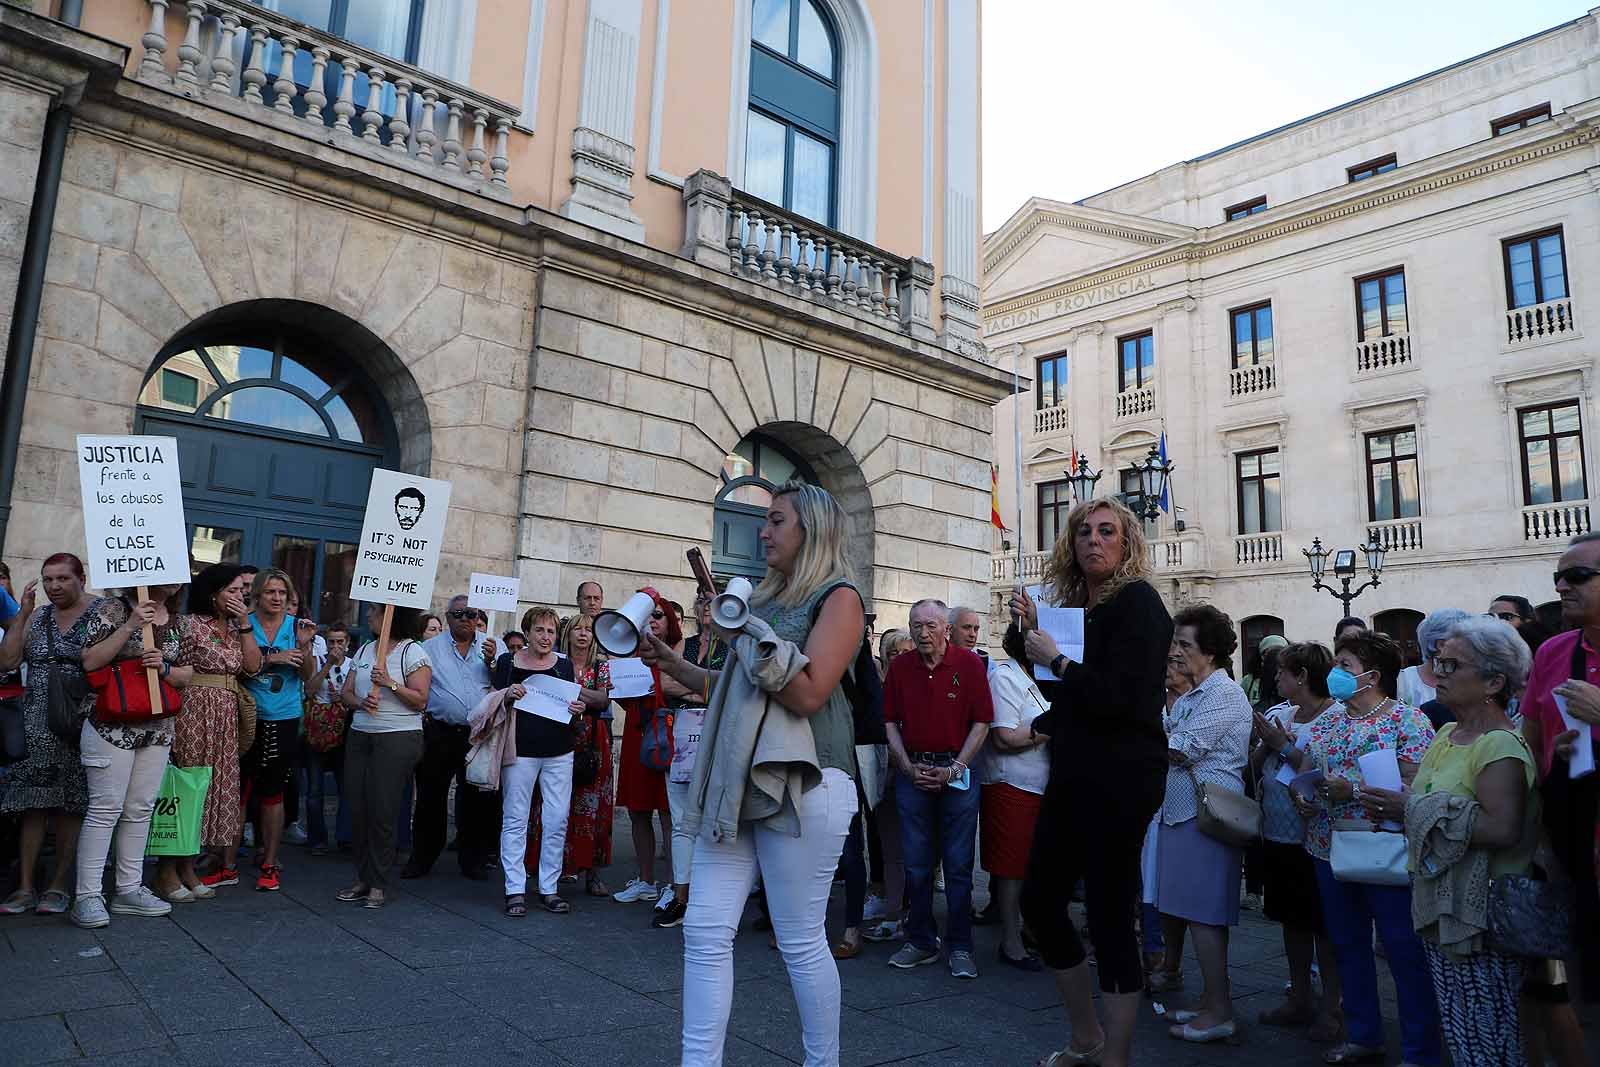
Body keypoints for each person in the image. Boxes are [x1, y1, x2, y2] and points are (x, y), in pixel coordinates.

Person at [645, 480, 864, 1065]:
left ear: (809, 531)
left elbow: (810, 693)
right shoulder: (761, 604)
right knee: (704, 930)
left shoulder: (839, 598)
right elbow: (737, 692)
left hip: (810, 777)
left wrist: (744, 636)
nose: (763, 532)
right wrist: (676, 665)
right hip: (741, 778)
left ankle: (823, 1062)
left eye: (776, 521)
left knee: (798, 940)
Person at [1006, 497, 1173, 1067]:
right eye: (1083, 532)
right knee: (1040, 901)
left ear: (1127, 543)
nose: (1093, 541)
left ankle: (1114, 1057)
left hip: (1122, 776)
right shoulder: (1080, 605)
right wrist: (1027, 629)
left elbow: (1122, 697)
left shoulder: (1139, 603)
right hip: (1075, 769)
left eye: (1107, 531)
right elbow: (1048, 674)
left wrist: (1058, 661)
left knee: (1107, 911)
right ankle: (1085, 1036)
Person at [1358, 616, 1538, 1067]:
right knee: (1462, 1032)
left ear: (1494, 681)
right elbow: (1431, 797)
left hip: (1484, 919)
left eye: (1453, 665)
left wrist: (1410, 809)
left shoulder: (1499, 745)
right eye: (1438, 661)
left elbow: (1502, 829)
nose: (1438, 672)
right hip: (1443, 908)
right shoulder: (1445, 733)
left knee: (1490, 1039)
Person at [1285, 629, 1441, 1066]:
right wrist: (1304, 794)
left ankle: (1420, 1050)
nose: (1335, 673)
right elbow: (1308, 770)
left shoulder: (1408, 721)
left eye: (1345, 665)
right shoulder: (1330, 720)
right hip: (1329, 848)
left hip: (1387, 849)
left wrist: (1348, 789)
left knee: (1403, 951)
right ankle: (1364, 1034)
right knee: (1347, 946)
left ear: (1372, 676)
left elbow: (1416, 784)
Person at [1153, 605, 1253, 1044]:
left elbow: (1183, 747)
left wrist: (1146, 730)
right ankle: (1212, 1001)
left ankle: (1220, 1011)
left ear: (1209, 652)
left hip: (1206, 817)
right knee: (1190, 913)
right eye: (1175, 642)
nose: (1175, 651)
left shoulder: (1225, 695)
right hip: (1181, 812)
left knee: (1205, 917)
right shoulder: (1195, 693)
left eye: (1184, 644)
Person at [68, 585, 193, 926]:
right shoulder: (112, 608)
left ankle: (128, 888)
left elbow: (187, 674)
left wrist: (165, 669)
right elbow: (90, 661)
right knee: (105, 808)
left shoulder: (179, 622)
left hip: (157, 726)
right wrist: (130, 626)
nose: (174, 580)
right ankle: (88, 895)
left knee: (139, 809)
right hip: (111, 724)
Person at [882, 598, 993, 979]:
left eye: (930, 625)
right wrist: (906, 766)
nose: (922, 632)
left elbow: (981, 723)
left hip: (957, 770)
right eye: (916, 625)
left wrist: (956, 767)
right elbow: (890, 722)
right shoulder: (900, 667)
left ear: (946, 629)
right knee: (916, 864)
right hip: (914, 769)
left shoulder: (969, 665)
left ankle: (960, 945)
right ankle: (921, 940)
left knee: (959, 865)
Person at [1249, 641, 1344, 1042]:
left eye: (1282, 672)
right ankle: (1299, 995)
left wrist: (1281, 745)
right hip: (1278, 834)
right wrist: (1263, 744)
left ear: (1302, 676)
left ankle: (1332, 1007)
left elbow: (1325, 773)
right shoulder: (1280, 714)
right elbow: (1255, 764)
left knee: (1324, 924)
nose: (1275, 678)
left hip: (1317, 838)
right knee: (1291, 920)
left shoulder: (1336, 718)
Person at [1521, 532, 1600, 1002]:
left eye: (1577, 576)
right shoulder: (1552, 652)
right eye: (1558, 578)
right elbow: (1531, 743)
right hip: (1572, 843)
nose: (1562, 587)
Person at [0, 554, 94, 916]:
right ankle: (25, 887)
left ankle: (58, 886)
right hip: (36, 721)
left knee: (70, 803)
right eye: (48, 579)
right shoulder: (37, 616)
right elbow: (8, 661)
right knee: (32, 803)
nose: (54, 586)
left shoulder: (100, 614)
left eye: (62, 579)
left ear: (81, 578)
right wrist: (22, 613)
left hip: (78, 721)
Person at [495, 607, 598, 916]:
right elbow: (492, 699)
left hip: (559, 752)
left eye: (551, 631)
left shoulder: (564, 665)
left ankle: (548, 888)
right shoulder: (508, 662)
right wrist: (508, 694)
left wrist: (578, 707)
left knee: (556, 819)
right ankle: (514, 889)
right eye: (539, 630)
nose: (545, 637)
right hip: (520, 750)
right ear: (527, 632)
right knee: (515, 818)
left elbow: (570, 705)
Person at [338, 603, 430, 908]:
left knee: (382, 809)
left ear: (392, 615)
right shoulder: (365, 650)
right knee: (358, 807)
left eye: (375, 611)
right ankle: (362, 877)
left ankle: (378, 882)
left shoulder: (412, 652)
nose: (368, 615)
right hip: (361, 734)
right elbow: (346, 693)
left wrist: (389, 682)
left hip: (397, 737)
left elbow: (420, 700)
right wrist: (361, 703)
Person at [176, 565, 260, 893]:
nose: (240, 596)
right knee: (190, 785)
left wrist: (244, 625)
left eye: (242, 591)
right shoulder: (190, 624)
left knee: (214, 789)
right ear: (214, 593)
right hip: (195, 711)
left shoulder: (238, 629)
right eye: (233, 590)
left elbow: (252, 667)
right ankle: (178, 866)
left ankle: (196, 862)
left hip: (225, 714)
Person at [406, 595, 498, 881]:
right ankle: (422, 857)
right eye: (459, 614)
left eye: (471, 614)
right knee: (431, 797)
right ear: (447, 617)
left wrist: (494, 662)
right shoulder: (429, 648)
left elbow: (505, 684)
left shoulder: (491, 646)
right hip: (441, 732)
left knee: (475, 800)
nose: (466, 619)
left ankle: (473, 860)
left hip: (478, 735)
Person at [239, 568, 316, 892]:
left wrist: (304, 647)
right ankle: (225, 861)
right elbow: (240, 666)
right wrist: (275, 658)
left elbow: (309, 677)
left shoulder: (295, 626)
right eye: (271, 592)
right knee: (239, 790)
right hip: (247, 714)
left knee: (273, 793)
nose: (277, 598)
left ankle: (270, 862)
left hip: (284, 716)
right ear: (258, 594)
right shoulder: (244, 623)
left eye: (282, 593)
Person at [655, 593, 727, 930]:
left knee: (713, 819)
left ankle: (711, 898)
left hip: (719, 737)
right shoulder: (686, 643)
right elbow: (667, 682)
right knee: (682, 820)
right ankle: (681, 896)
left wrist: (695, 686)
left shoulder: (735, 644)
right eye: (701, 603)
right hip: (683, 736)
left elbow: (731, 690)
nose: (706, 609)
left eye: (714, 602)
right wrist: (701, 690)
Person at [979, 641, 1050, 970]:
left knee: (1030, 865)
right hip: (1011, 784)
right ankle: (1010, 941)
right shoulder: (1006, 677)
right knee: (1011, 869)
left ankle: (1029, 931)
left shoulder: (1037, 677)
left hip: (1037, 785)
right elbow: (1004, 738)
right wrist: (1052, 728)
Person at [611, 591, 681, 905]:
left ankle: (673, 884)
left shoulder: (678, 654)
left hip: (668, 737)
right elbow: (623, 699)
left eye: (658, 616)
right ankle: (646, 879)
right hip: (638, 735)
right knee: (639, 811)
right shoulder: (629, 655)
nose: (651, 621)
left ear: (669, 622)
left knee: (668, 814)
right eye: (647, 616)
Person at [551, 612, 613, 896]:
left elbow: (602, 699)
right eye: (578, 629)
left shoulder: (600, 667)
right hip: (561, 735)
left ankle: (592, 872)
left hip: (593, 739)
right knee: (561, 802)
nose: (583, 634)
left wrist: (573, 691)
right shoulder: (557, 663)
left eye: (589, 629)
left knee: (593, 804)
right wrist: (583, 694)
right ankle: (561, 866)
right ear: (569, 634)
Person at [303, 621, 351, 856]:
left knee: (346, 789)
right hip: (319, 733)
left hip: (343, 733)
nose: (335, 646)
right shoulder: (318, 662)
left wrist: (341, 698)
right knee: (314, 790)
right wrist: (327, 666)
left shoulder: (354, 666)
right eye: (331, 641)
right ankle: (317, 839)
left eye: (340, 641)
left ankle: (344, 837)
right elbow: (309, 691)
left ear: (347, 643)